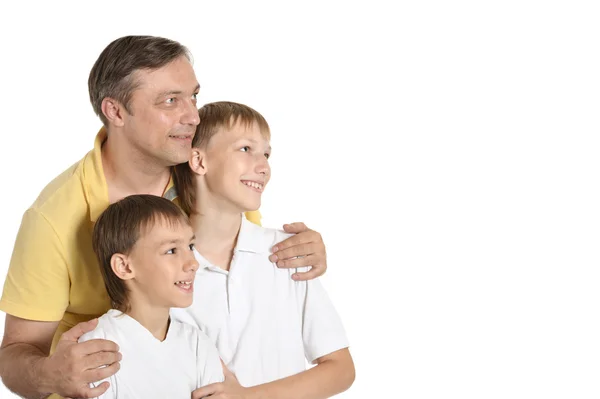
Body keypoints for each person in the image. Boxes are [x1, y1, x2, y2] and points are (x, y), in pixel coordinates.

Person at [0, 35, 328, 399]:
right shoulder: (53, 218)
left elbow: (246, 277)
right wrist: (50, 374)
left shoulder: (211, 178)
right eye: (170, 101)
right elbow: (14, 354)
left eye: (193, 97)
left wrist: (298, 252)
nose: (193, 116)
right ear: (116, 111)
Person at [171, 101, 355, 399]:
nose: (264, 166)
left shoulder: (287, 252)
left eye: (267, 154)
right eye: (246, 149)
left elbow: (341, 368)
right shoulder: (167, 267)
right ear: (199, 161)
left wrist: (247, 396)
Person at [79, 194, 224, 397]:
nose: (193, 263)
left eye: (190, 247)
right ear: (124, 266)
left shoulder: (198, 345)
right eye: (172, 250)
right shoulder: (96, 348)